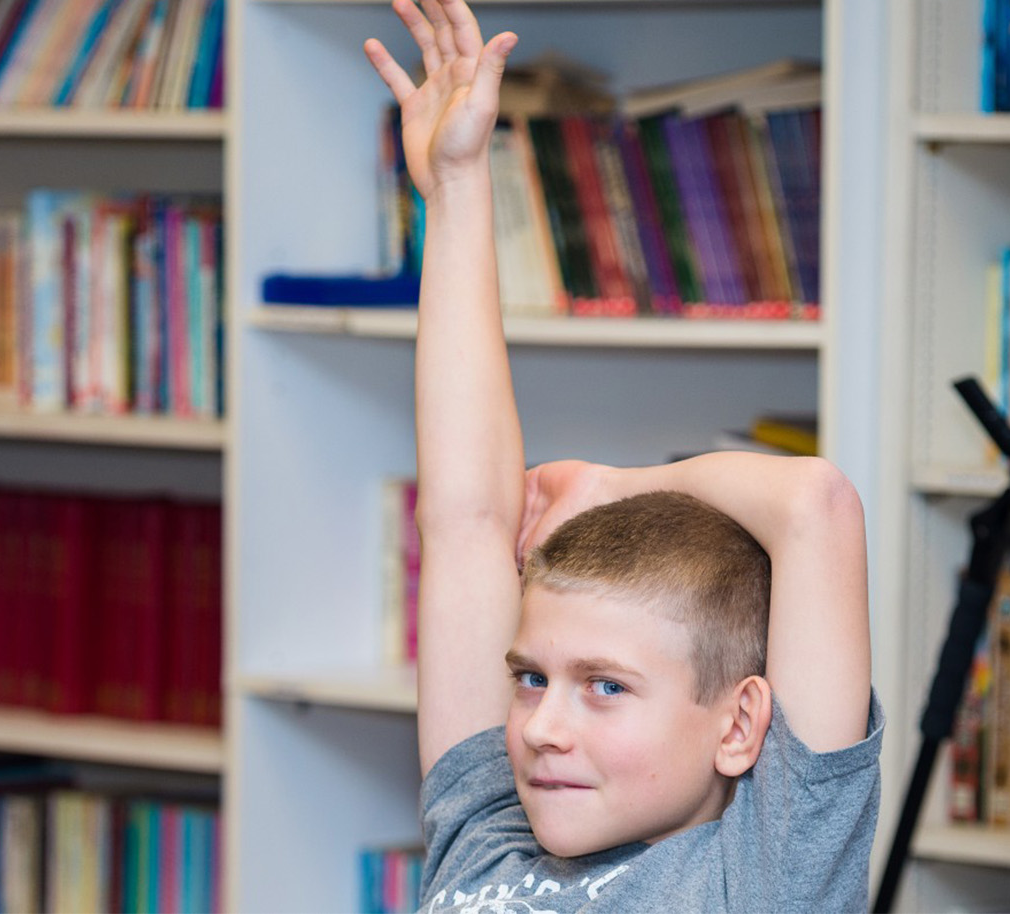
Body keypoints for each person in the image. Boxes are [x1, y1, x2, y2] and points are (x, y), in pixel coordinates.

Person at [364, 1, 883, 910]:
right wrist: (453, 190)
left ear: (740, 725)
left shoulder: (765, 877)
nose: (541, 729)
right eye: (529, 678)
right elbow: (465, 521)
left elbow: (816, 505)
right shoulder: (489, 836)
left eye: (605, 686)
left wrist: (615, 484)